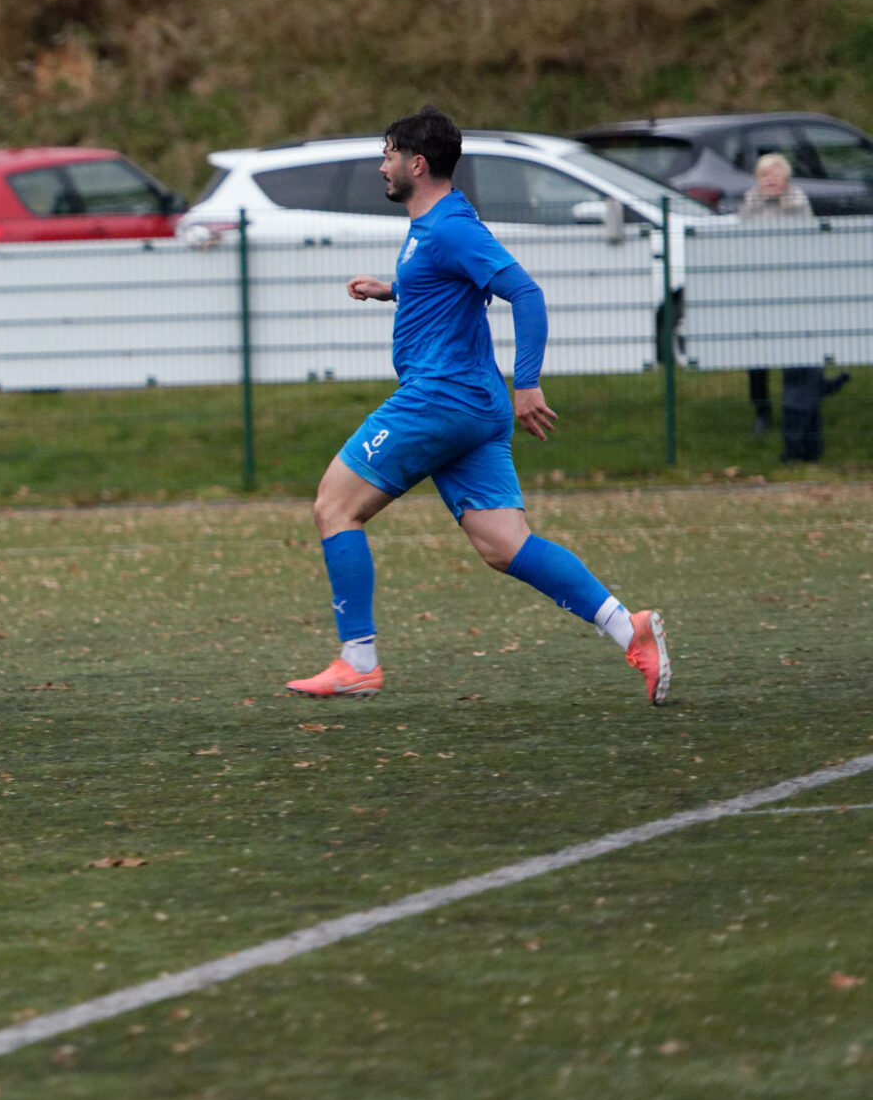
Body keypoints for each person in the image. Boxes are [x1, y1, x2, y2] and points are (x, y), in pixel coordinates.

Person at [287, 106, 671, 705]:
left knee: (333, 506)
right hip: (471, 404)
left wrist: (529, 382)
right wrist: (394, 290)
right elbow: (450, 286)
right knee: (504, 544)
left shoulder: (449, 228)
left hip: (440, 398)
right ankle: (630, 628)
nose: (381, 166)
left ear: (417, 164)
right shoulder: (438, 225)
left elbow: (525, 293)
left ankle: (357, 660)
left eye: (388, 154)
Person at [738, 153, 845, 458]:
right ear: (758, 180)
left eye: (776, 174)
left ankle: (801, 418)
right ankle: (762, 412)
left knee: (797, 360)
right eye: (764, 175)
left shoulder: (800, 204)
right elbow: (741, 245)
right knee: (757, 358)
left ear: (786, 179)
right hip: (758, 292)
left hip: (794, 291)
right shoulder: (750, 205)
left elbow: (810, 246)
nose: (770, 180)